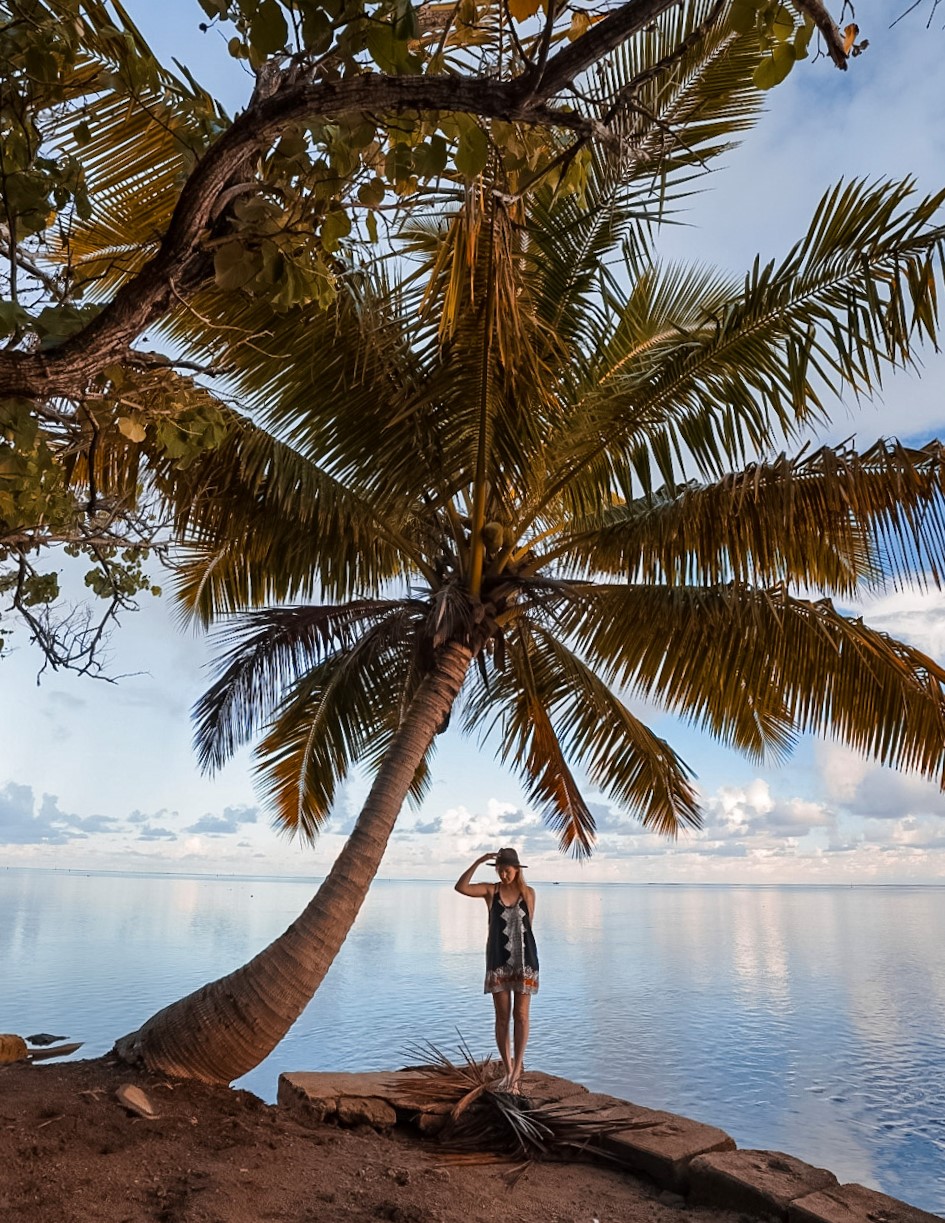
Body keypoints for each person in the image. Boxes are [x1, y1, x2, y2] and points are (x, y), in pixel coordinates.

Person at [454, 847, 538, 1093]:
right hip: (498, 961)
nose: (504, 875)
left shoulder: (529, 893)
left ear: (517, 870)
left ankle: (517, 1072)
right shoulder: (492, 891)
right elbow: (461, 887)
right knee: (502, 1018)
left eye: (508, 871)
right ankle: (509, 1069)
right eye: (500, 871)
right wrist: (479, 861)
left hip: (525, 961)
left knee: (521, 1015)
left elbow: (528, 928)